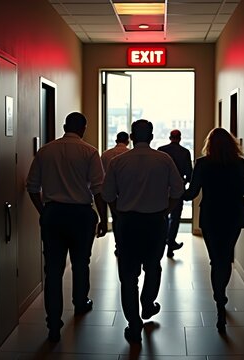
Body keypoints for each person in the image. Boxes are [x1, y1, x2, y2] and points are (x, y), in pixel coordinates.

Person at [26, 112, 107, 342]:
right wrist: (102, 218)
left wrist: (45, 212)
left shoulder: (45, 150)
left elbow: (32, 187)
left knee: (53, 270)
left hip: (54, 214)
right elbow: (98, 189)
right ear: (83, 128)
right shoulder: (89, 152)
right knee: (81, 262)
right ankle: (80, 303)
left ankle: (53, 324)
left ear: (64, 126)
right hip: (81, 215)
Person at [102, 119, 184, 344]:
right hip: (155, 222)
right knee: (153, 266)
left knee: (128, 276)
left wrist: (117, 214)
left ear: (131, 135)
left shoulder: (118, 162)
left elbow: (108, 195)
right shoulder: (163, 160)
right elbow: (178, 191)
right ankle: (148, 304)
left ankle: (134, 323)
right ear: (151, 135)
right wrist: (164, 211)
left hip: (127, 223)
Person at [183, 127, 244, 334]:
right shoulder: (237, 163)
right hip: (233, 216)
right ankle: (221, 298)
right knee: (226, 258)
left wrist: (173, 188)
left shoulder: (202, 163)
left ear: (209, 144)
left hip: (211, 217)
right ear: (231, 144)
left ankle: (219, 299)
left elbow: (191, 194)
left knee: (215, 260)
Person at [158, 129, 193, 258]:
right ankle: (171, 244)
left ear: (169, 137)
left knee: (163, 216)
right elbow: (189, 173)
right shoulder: (185, 152)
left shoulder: (161, 150)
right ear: (180, 138)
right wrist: (185, 184)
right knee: (175, 217)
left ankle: (162, 242)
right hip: (178, 188)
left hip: (162, 188)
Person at [101, 131, 130, 256]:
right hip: (127, 193)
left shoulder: (105, 154)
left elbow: (101, 175)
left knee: (116, 219)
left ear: (116, 140)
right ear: (128, 141)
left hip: (111, 193)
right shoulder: (130, 154)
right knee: (128, 221)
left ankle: (118, 245)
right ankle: (127, 246)